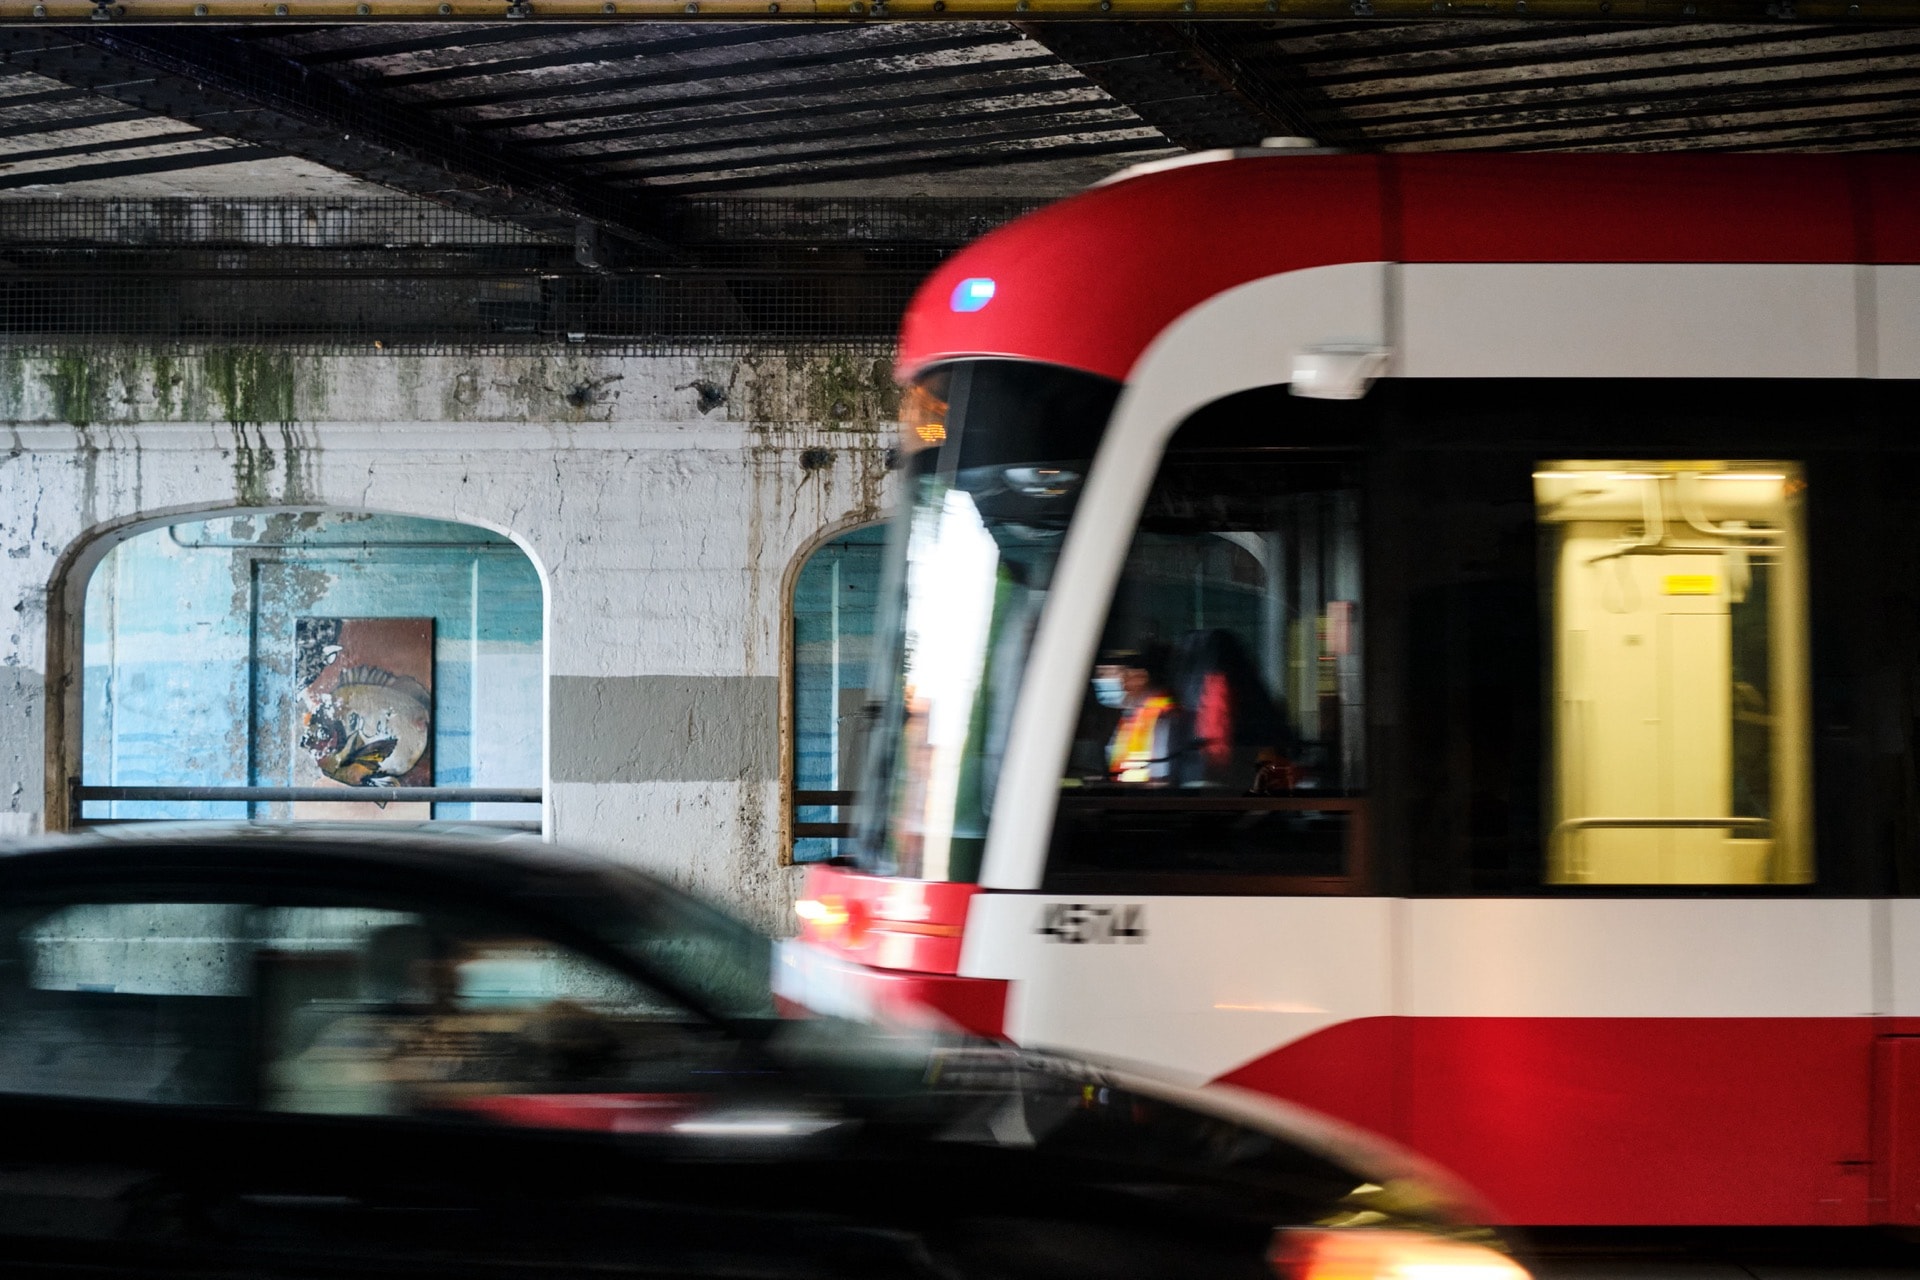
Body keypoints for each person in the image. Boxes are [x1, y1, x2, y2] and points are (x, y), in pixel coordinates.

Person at [1092, 644, 1185, 785]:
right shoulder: (1135, 710)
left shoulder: (1159, 711)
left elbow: (1158, 770)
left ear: (1141, 677)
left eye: (1126, 675)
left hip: (1145, 791)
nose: (1123, 683)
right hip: (1129, 788)